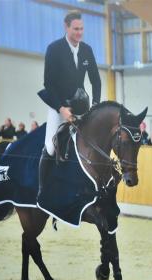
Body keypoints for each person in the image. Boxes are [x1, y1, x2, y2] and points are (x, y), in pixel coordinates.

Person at [36, 10, 101, 196]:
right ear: (66, 27)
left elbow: (96, 81)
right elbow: (48, 83)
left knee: (91, 144)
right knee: (50, 147)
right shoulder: (54, 49)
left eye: (82, 29)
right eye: (75, 29)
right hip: (59, 105)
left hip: (82, 105)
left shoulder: (87, 49)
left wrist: (95, 105)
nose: (79, 33)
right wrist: (61, 109)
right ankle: (42, 190)